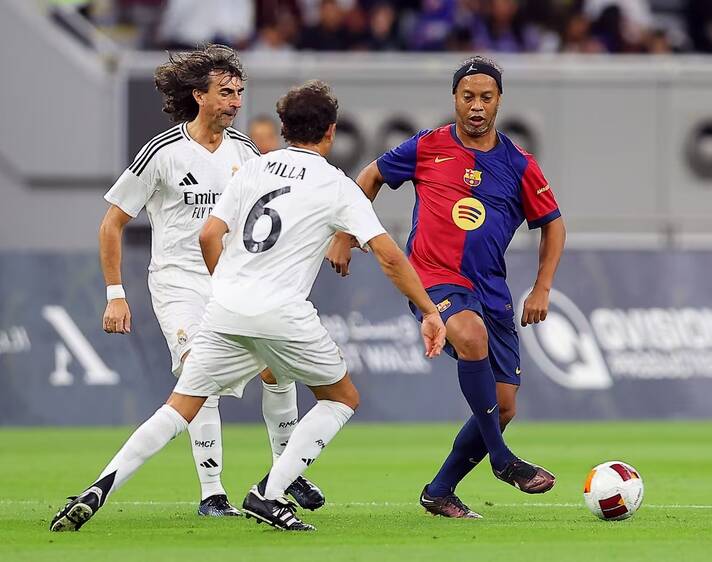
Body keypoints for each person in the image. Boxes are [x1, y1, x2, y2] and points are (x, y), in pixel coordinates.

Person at [50, 79, 446, 533]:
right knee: (341, 398)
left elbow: (207, 235)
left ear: (282, 129)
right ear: (331, 132)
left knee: (179, 407)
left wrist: (229, 287)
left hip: (225, 307)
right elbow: (389, 255)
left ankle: (100, 486)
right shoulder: (336, 184)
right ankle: (270, 493)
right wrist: (430, 311)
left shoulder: (253, 170)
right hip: (281, 310)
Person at [327, 55, 566, 518]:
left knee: (503, 404)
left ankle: (439, 491)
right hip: (432, 276)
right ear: (455, 99)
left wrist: (542, 287)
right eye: (468, 97)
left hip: (490, 289)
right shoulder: (427, 147)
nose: (476, 106)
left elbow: (553, 225)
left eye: (486, 98)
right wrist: (344, 232)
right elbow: (371, 176)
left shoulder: (519, 164)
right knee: (471, 336)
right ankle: (502, 460)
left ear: (499, 101)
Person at [95, 44, 323, 517]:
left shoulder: (247, 152)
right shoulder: (162, 152)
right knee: (200, 378)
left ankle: (284, 475)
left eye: (239, 91)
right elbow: (112, 222)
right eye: (225, 92)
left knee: (277, 371)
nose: (236, 101)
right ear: (199, 96)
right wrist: (116, 294)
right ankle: (212, 491)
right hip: (179, 283)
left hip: (235, 281)